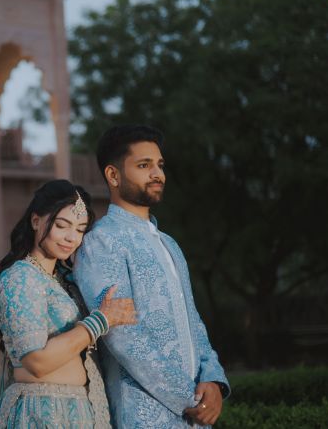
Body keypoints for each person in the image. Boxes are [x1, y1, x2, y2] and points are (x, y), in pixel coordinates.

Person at [74, 125, 230, 428]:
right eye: (144, 165)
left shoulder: (169, 244)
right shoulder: (102, 242)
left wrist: (213, 380)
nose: (157, 174)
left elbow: (192, 321)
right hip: (144, 414)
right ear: (113, 175)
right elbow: (121, 335)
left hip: (195, 415)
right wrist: (189, 398)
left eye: (160, 165)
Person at [0, 179, 137, 428]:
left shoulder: (63, 281)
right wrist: (101, 321)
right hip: (41, 414)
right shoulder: (21, 276)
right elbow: (37, 362)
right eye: (62, 225)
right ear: (36, 221)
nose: (71, 238)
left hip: (79, 412)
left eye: (79, 229)